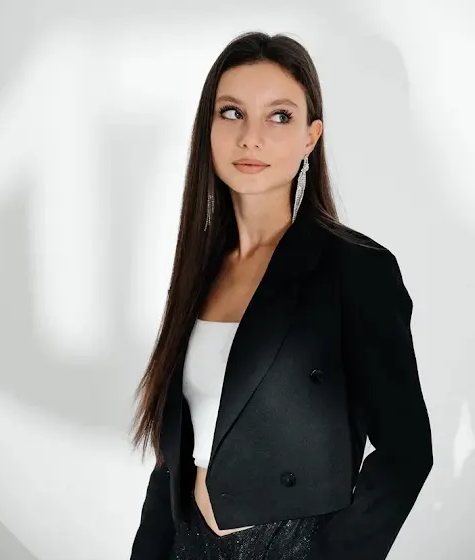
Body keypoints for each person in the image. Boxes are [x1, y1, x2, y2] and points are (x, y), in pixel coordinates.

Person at [127, 31, 433, 560]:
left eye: (279, 116)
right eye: (231, 112)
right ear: (207, 128)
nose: (251, 138)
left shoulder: (356, 269)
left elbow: (406, 452)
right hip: (187, 544)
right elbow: (172, 457)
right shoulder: (199, 271)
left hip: (296, 546)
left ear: (311, 137)